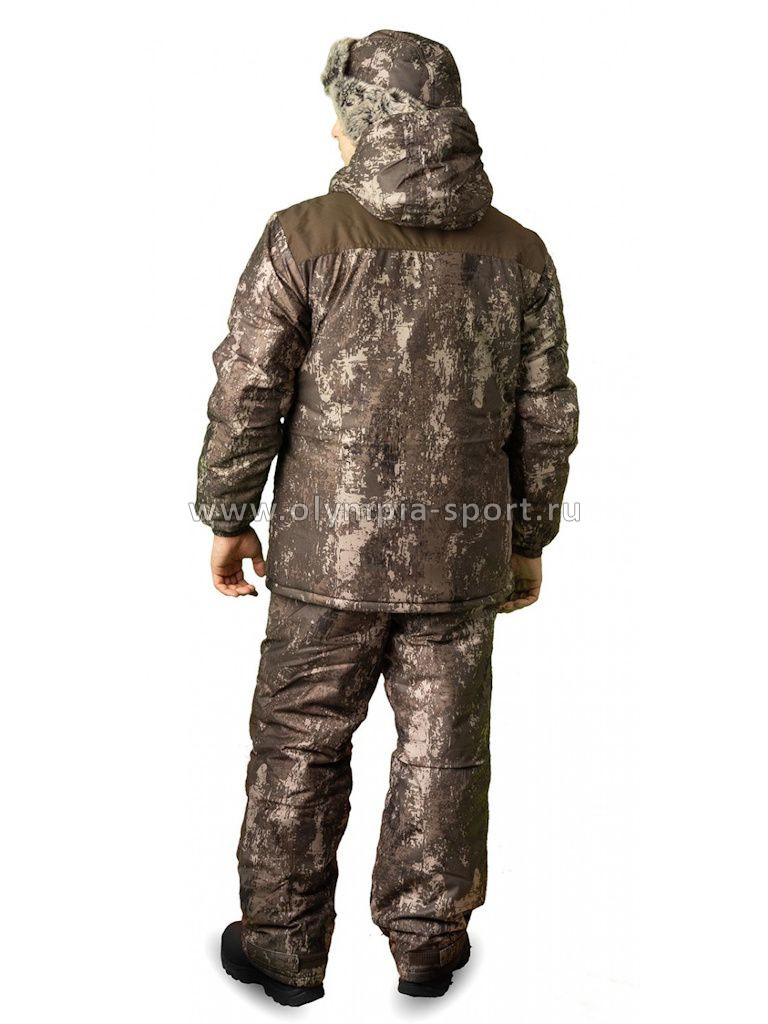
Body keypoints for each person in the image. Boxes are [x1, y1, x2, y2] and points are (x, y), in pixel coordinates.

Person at [196, 29, 578, 1005]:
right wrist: (528, 536)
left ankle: (282, 951)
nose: (331, 133)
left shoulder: (302, 236)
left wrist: (229, 513)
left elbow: (249, 388)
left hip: (326, 559)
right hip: (461, 558)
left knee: (299, 745)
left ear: (366, 120)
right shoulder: (520, 251)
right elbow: (546, 410)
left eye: (339, 115)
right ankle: (428, 945)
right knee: (444, 754)